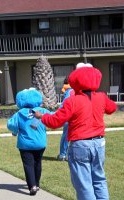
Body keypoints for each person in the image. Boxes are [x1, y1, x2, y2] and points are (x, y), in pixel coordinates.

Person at [34, 63, 117, 200]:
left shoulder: (72, 100)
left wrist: (42, 116)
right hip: (99, 143)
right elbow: (112, 108)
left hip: (80, 144)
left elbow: (55, 121)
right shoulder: (101, 97)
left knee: (84, 184)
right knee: (100, 180)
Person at [7, 88, 51, 196]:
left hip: (25, 144)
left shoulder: (20, 113)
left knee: (28, 165)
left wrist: (15, 131)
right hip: (40, 143)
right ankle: (37, 183)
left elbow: (11, 125)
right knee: (38, 163)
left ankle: (32, 186)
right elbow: (53, 118)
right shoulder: (43, 111)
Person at [57, 77, 74, 161]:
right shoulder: (75, 90)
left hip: (68, 117)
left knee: (66, 136)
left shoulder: (69, 91)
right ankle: (68, 155)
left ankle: (63, 154)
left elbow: (64, 104)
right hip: (76, 116)